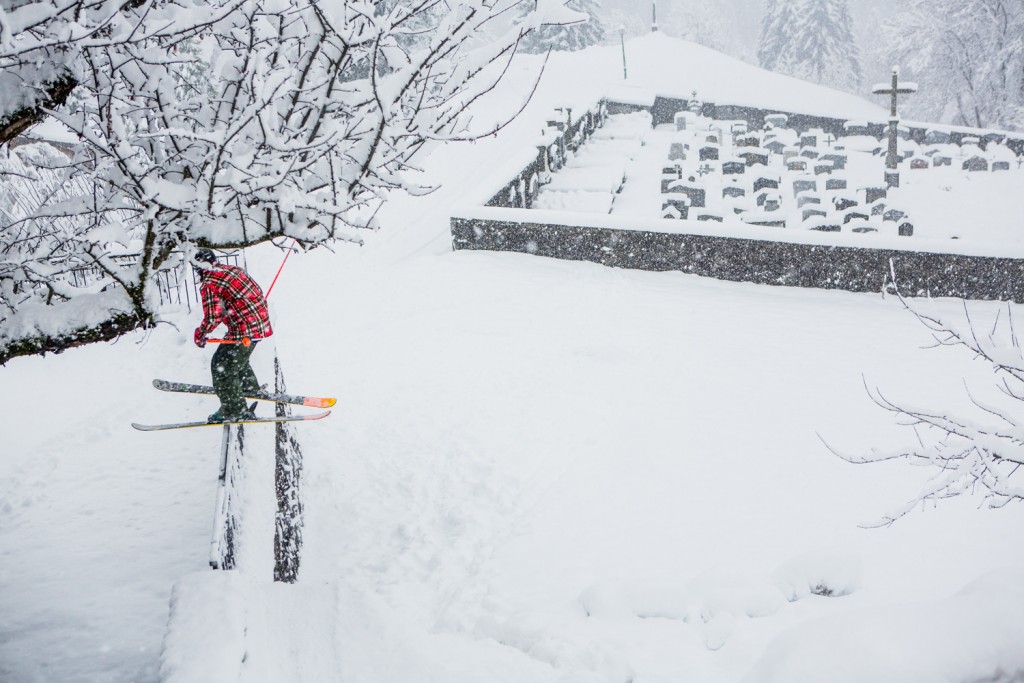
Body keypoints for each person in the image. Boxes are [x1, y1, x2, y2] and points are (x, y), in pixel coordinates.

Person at [192, 248, 273, 423]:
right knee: (234, 357)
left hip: (244, 329)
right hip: (258, 324)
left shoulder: (210, 283)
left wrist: (201, 333)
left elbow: (214, 316)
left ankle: (235, 410)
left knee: (222, 367)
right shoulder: (233, 270)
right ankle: (248, 387)